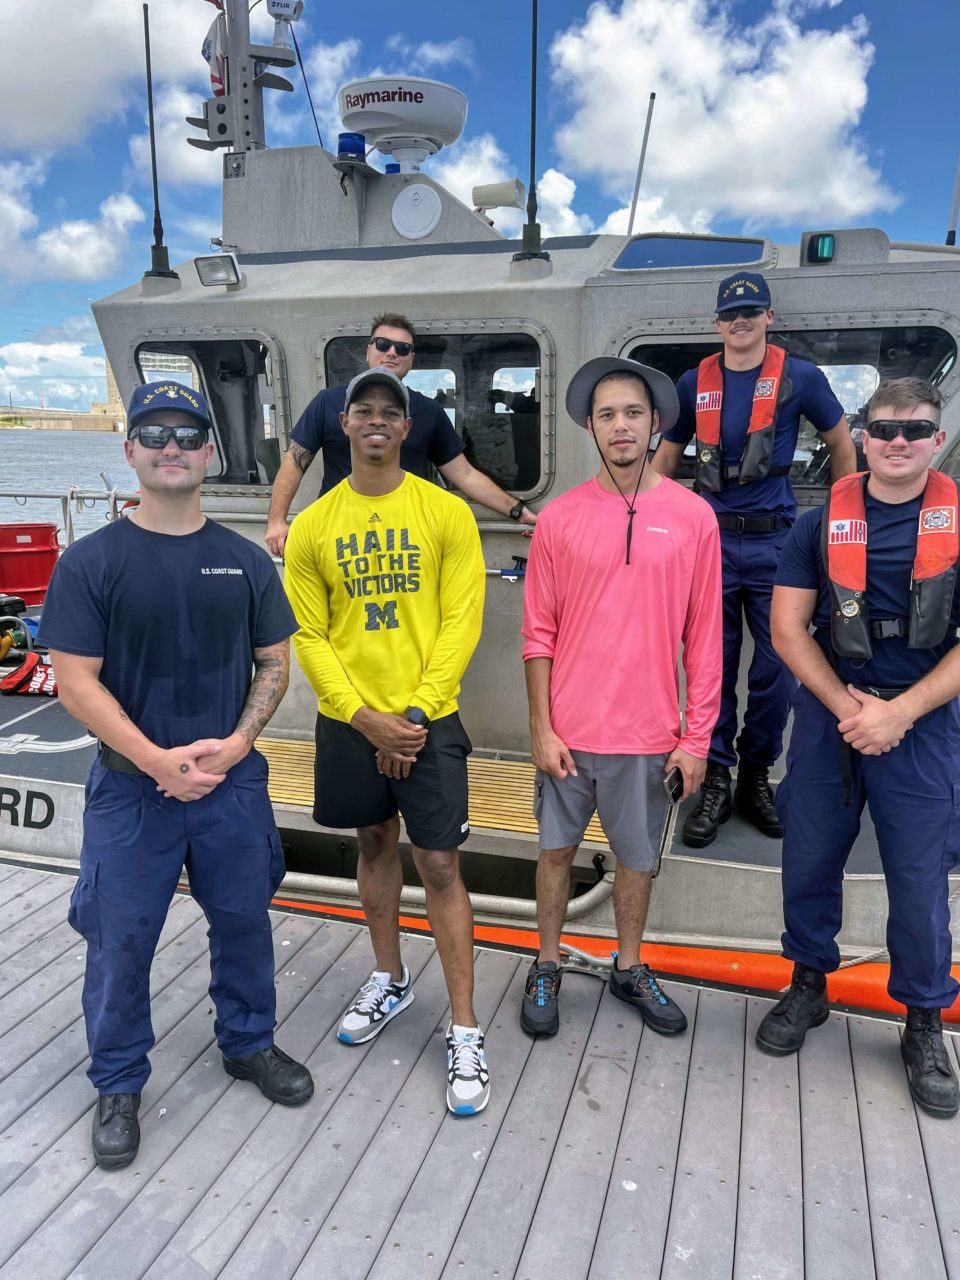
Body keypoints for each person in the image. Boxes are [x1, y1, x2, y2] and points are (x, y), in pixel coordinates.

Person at [39, 381, 313, 1171]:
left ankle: (248, 1043)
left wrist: (237, 743)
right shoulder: (90, 562)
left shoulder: (244, 560)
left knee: (244, 922)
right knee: (119, 941)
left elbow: (274, 662)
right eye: (154, 434)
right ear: (129, 450)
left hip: (231, 787)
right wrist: (157, 761)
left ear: (209, 453)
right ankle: (118, 1082)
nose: (172, 448)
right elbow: (76, 682)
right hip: (133, 791)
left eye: (188, 436)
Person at [282, 366, 489, 1114]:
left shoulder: (446, 513)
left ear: (407, 427)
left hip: (427, 720)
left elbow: (462, 619)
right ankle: (390, 977)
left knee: (439, 863)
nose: (376, 420)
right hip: (351, 721)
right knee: (373, 843)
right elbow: (309, 633)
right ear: (343, 425)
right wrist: (361, 716)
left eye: (389, 411)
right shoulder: (313, 526)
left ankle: (464, 1026)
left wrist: (414, 716)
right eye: (362, 410)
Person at [757, 377, 958, 1118]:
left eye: (916, 429)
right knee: (809, 858)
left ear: (938, 439)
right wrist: (851, 709)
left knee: (919, 878)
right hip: (830, 719)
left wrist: (898, 713)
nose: (899, 442)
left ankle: (924, 1020)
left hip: (923, 722)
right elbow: (787, 630)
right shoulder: (816, 527)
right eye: (885, 429)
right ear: (863, 437)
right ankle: (808, 984)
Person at [519, 357, 722, 1037]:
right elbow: (538, 635)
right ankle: (546, 962)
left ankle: (629, 966)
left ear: (655, 421)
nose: (621, 426)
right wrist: (542, 729)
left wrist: (696, 740)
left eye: (633, 412)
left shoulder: (693, 518)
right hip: (569, 735)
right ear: (590, 426)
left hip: (649, 735)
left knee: (638, 861)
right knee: (555, 853)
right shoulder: (559, 519)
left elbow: (705, 639)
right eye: (606, 414)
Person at [653, 272, 856, 847]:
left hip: (777, 546)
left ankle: (756, 775)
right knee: (711, 665)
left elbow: (842, 445)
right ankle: (716, 775)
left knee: (777, 671)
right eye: (729, 314)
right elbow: (665, 460)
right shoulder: (693, 382)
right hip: (709, 542)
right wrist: (649, 526)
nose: (739, 321)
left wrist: (844, 524)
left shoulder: (801, 377)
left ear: (769, 317)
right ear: (717, 323)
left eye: (750, 311)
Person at [265, 312, 536, 556]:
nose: (392, 352)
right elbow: (295, 460)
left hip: (403, 538)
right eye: (383, 344)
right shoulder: (327, 402)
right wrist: (276, 521)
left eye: (403, 348)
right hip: (336, 532)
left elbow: (464, 474)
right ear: (369, 350)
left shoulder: (429, 412)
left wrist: (517, 511)